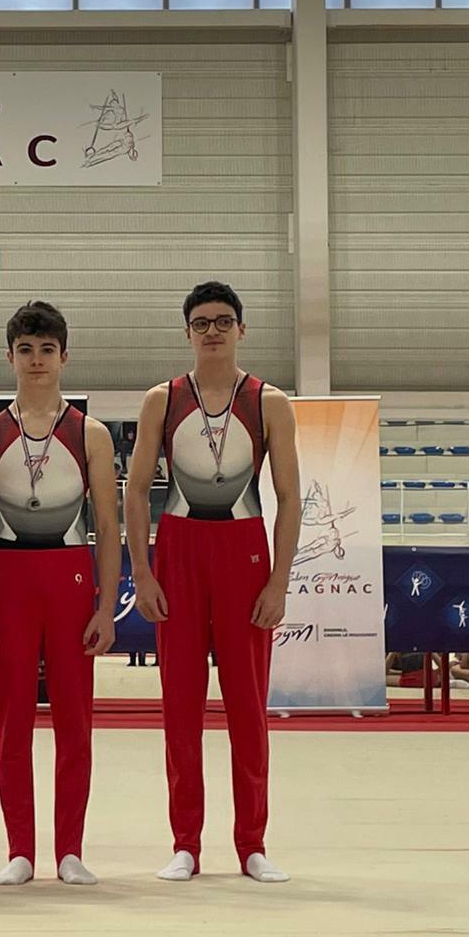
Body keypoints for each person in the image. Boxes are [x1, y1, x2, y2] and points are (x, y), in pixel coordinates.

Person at [124, 281, 299, 885]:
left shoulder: (269, 402)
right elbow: (135, 491)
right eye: (202, 323)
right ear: (188, 333)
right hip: (179, 548)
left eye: (224, 321)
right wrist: (143, 571)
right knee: (180, 705)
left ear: (242, 330)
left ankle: (252, 843)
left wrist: (278, 582)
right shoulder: (163, 400)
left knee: (247, 706)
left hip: (243, 551)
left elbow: (289, 497)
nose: (213, 331)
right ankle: (186, 844)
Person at [0, 301, 120, 886]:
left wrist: (106, 607)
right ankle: (21, 850)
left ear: (64, 357)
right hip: (8, 577)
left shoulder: (90, 434)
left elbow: (108, 525)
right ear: (9, 357)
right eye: (25, 350)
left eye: (46, 350)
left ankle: (70, 849)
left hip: (70, 576)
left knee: (75, 720)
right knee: (13, 721)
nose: (36, 360)